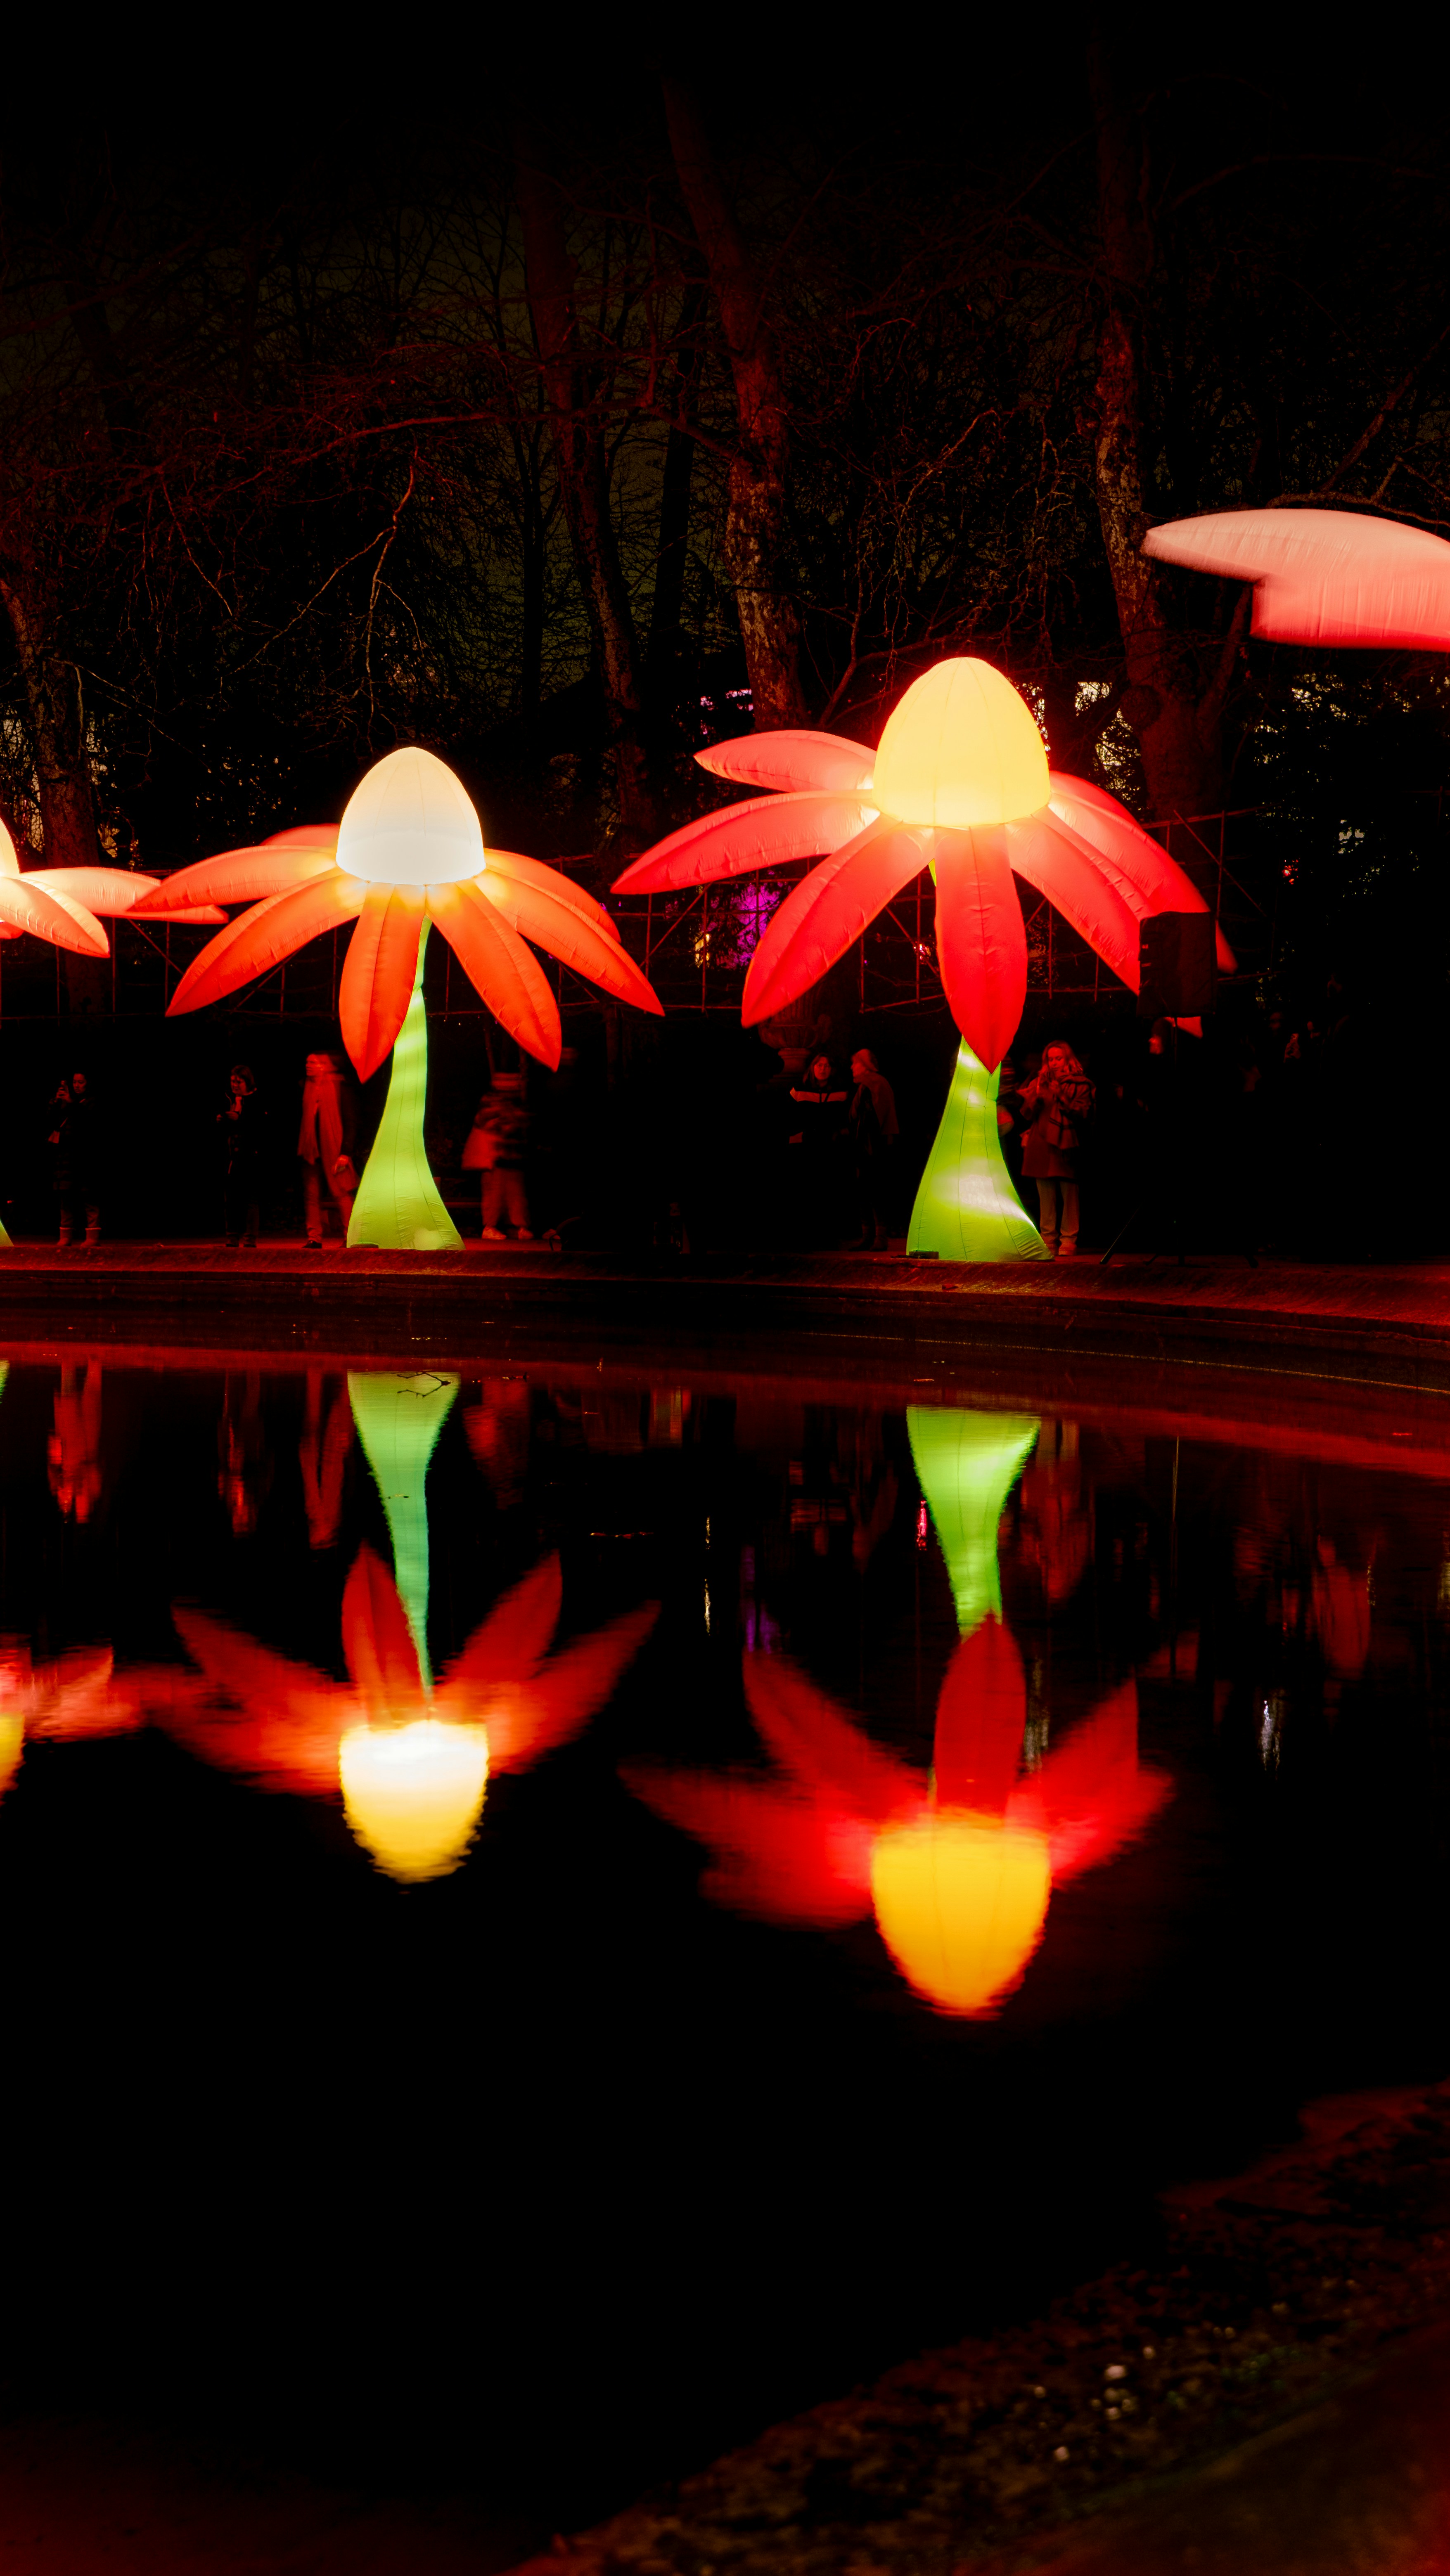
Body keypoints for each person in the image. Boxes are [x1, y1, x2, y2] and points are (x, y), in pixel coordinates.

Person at [1020, 1041, 1095, 1257]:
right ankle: (1048, 1239)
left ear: (1068, 1059)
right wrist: (1033, 1102)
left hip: (1065, 1142)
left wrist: (1061, 1096)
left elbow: (1083, 1113)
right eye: (1050, 1059)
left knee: (1069, 1192)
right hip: (1041, 1141)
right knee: (1045, 1194)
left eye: (1058, 1058)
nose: (1054, 1063)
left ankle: (1069, 1239)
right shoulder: (1038, 1082)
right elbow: (1026, 1113)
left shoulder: (1081, 1084)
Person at [787, 1050, 851, 1244]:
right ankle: (807, 1236)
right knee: (807, 1191)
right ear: (813, 1068)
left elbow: (846, 1119)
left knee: (830, 1191)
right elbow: (789, 1118)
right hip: (807, 1147)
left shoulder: (842, 1092)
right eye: (820, 1065)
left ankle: (829, 1236)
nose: (823, 1069)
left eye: (827, 1066)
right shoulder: (799, 1091)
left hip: (832, 1148)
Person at [462, 1070, 533, 1240]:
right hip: (493, 1158)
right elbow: (497, 1127)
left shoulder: (509, 1104)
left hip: (510, 1158)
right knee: (494, 1195)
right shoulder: (492, 1104)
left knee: (516, 1195)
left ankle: (520, 1227)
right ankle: (490, 1227)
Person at [298, 1053, 357, 1246]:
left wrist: (346, 1152)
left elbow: (351, 1121)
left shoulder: (340, 1087)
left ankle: (350, 1236)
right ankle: (314, 1238)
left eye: (313, 1062)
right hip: (311, 1149)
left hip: (334, 1148)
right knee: (311, 1194)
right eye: (307, 1062)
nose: (308, 1065)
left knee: (341, 1191)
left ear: (324, 1066)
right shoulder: (305, 1087)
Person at [849, 1049, 899, 1248]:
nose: (852, 1067)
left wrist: (865, 1146)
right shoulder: (866, 1085)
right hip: (869, 1145)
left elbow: (870, 1118)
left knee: (874, 1191)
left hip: (872, 1146)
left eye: (855, 1063)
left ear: (865, 1065)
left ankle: (879, 1237)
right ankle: (869, 1236)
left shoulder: (874, 1084)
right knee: (866, 1192)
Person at [48, 1071, 101, 1247]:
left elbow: (87, 1122)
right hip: (66, 1157)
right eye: (75, 1082)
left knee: (89, 1197)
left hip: (85, 1157)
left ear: (88, 1083)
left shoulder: (92, 1101)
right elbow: (51, 1122)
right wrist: (56, 1103)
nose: (77, 1086)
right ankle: (65, 1235)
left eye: (81, 1082)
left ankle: (92, 1236)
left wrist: (71, 1103)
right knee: (66, 1197)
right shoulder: (66, 1101)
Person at [218, 1063, 263, 1247]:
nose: (235, 1085)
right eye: (233, 1082)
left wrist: (241, 1120)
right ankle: (232, 1236)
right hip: (232, 1157)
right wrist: (222, 1120)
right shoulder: (230, 1099)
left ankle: (250, 1238)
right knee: (231, 1199)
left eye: (239, 1082)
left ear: (247, 1082)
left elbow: (260, 1126)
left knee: (250, 1198)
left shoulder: (256, 1100)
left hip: (251, 1156)